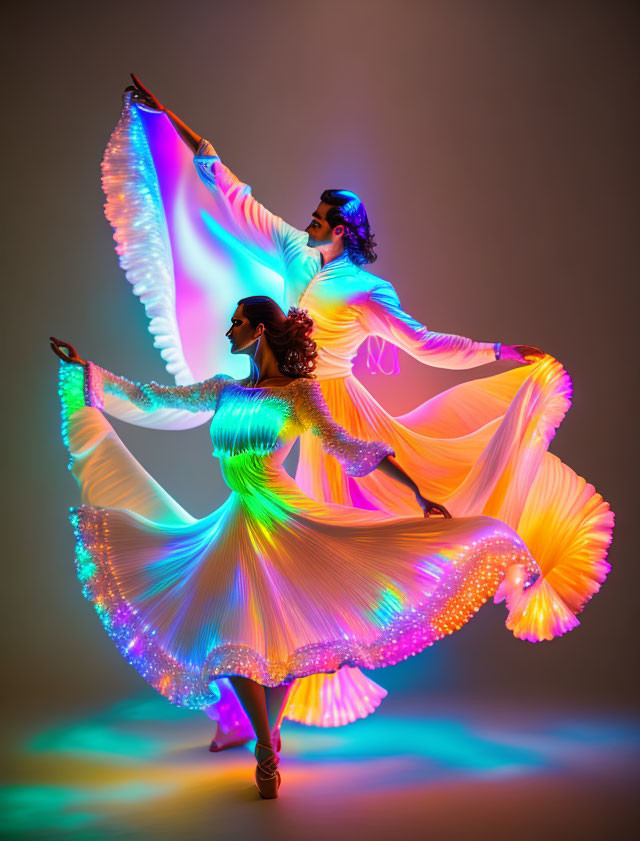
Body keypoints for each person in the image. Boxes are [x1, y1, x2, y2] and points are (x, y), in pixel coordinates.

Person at [97, 76, 613, 746]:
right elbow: (233, 196)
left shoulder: (367, 291)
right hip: (285, 414)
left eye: (317, 218)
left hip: (329, 412)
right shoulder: (293, 254)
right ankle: (244, 712)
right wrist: (169, 122)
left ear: (340, 229)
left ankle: (269, 710)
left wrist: (499, 351)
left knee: (321, 566)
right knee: (261, 565)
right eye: (309, 218)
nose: (307, 223)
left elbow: (423, 344)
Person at [51, 296, 546, 798]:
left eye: (237, 323)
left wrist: (417, 493)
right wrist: (88, 372)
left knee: (294, 633)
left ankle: (268, 742)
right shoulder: (223, 391)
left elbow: (347, 447)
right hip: (238, 518)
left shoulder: (299, 394)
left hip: (284, 515)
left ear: (260, 330)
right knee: (236, 633)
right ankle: (267, 745)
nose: (228, 331)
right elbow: (157, 397)